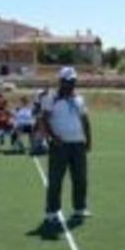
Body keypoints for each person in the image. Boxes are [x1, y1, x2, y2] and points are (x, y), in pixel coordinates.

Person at [42, 66, 93, 227]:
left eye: (73, 81)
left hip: (78, 144)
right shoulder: (51, 98)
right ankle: (51, 212)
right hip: (60, 145)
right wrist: (53, 137)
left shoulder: (79, 99)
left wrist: (89, 140)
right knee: (56, 179)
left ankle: (80, 208)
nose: (72, 84)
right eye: (69, 81)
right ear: (61, 81)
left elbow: (85, 120)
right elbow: (44, 119)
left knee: (80, 178)